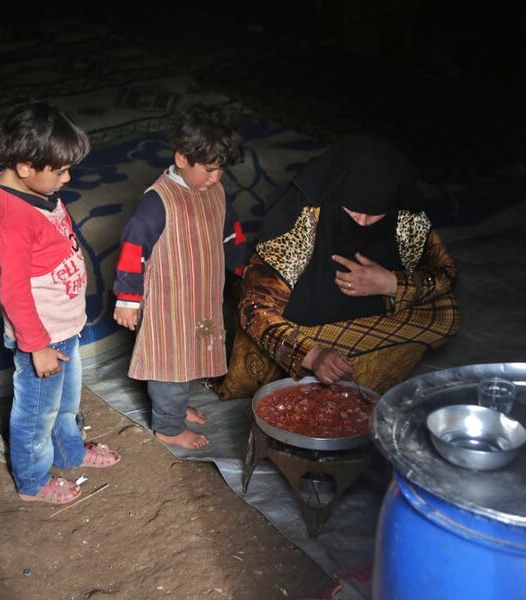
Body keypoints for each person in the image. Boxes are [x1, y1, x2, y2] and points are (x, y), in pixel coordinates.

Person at [217, 134, 460, 398]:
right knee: (261, 324)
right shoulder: (300, 218)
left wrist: (391, 283)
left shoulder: (404, 218)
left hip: (365, 326)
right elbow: (255, 308)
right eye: (353, 211)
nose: (364, 222)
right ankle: (324, 378)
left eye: (375, 213)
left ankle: (339, 380)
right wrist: (312, 355)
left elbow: (445, 272)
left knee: (445, 314)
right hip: (300, 329)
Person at [0, 100, 120, 505]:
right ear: (25, 166)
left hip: (63, 326)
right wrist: (37, 346)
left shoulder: (29, 187)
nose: (67, 177)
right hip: (42, 337)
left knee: (66, 402)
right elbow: (14, 291)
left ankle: (70, 452)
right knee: (36, 416)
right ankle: (32, 481)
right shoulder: (11, 219)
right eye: (59, 170)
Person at [112, 104, 250, 450]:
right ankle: (168, 426)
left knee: (191, 359)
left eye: (221, 170)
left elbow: (230, 234)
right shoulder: (158, 202)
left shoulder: (214, 191)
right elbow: (133, 249)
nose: (216, 178)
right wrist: (127, 299)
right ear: (182, 158)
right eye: (209, 169)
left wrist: (244, 267)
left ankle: (172, 406)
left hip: (201, 297)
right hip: (168, 305)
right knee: (169, 366)